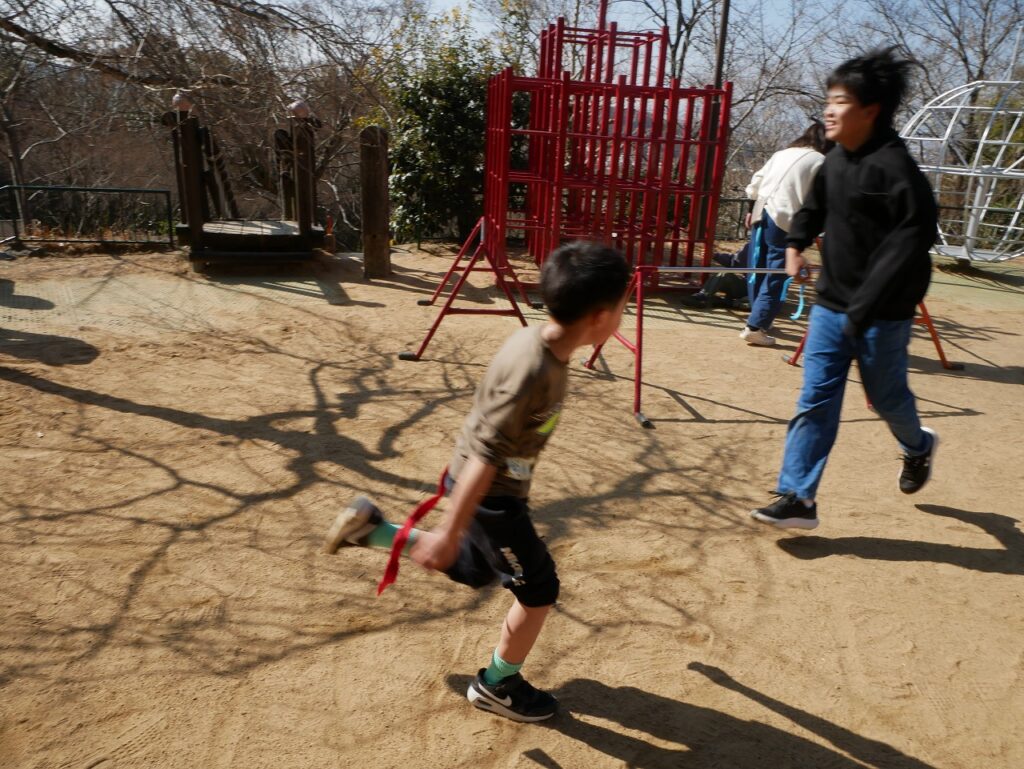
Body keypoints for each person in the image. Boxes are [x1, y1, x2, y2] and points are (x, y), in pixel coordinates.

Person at [322, 241, 631, 721]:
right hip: (491, 495)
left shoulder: (538, 343)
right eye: (624, 306)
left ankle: (373, 530)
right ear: (599, 316)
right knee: (538, 589)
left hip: (486, 486)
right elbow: (487, 455)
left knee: (475, 569)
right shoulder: (534, 371)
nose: (624, 316)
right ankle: (497, 684)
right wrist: (448, 530)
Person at [750, 46, 939, 530]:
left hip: (883, 314)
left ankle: (918, 446)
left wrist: (862, 310)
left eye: (840, 101)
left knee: (886, 398)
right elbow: (813, 208)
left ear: (870, 111)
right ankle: (798, 498)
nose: (829, 111)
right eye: (828, 100)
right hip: (833, 305)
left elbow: (905, 251)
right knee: (816, 398)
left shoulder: (898, 173)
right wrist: (796, 244)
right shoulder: (834, 161)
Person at [740, 121, 832, 346]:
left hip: (761, 212)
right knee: (778, 274)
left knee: (759, 268)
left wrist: (750, 210)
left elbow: (756, 183)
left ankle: (758, 318)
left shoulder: (782, 153)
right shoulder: (820, 160)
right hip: (784, 218)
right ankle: (756, 326)